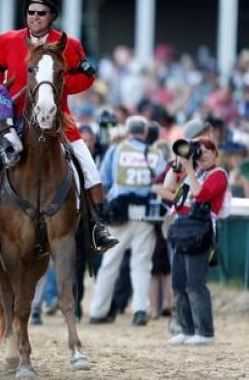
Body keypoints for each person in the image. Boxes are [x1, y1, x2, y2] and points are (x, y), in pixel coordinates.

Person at [0, 0, 118, 254]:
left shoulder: (69, 44)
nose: (34, 17)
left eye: (41, 13)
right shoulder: (8, 39)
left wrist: (55, 87)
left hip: (56, 118)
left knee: (89, 168)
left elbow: (87, 77)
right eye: (30, 12)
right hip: (12, 118)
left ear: (52, 15)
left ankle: (98, 227)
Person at [89, 116, 166, 326]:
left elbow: (104, 181)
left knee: (109, 264)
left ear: (128, 131)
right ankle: (140, 310)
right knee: (142, 264)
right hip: (146, 214)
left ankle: (98, 311)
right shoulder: (155, 153)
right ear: (145, 132)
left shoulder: (116, 150)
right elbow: (162, 181)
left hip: (119, 213)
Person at [166, 137, 227, 346]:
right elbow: (169, 189)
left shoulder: (218, 174)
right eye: (199, 152)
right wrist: (178, 164)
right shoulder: (193, 172)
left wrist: (190, 169)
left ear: (215, 153)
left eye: (206, 151)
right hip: (181, 229)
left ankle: (205, 332)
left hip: (200, 231)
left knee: (195, 284)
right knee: (179, 283)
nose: (202, 156)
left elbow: (200, 195)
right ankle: (187, 329)